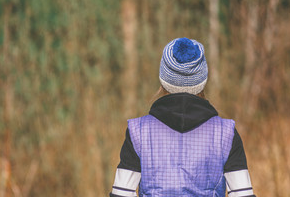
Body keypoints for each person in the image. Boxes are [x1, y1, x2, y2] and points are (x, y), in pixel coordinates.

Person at [109, 38, 256, 197]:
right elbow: (243, 194)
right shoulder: (226, 134)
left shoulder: (138, 132)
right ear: (202, 79)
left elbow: (121, 193)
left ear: (164, 79)